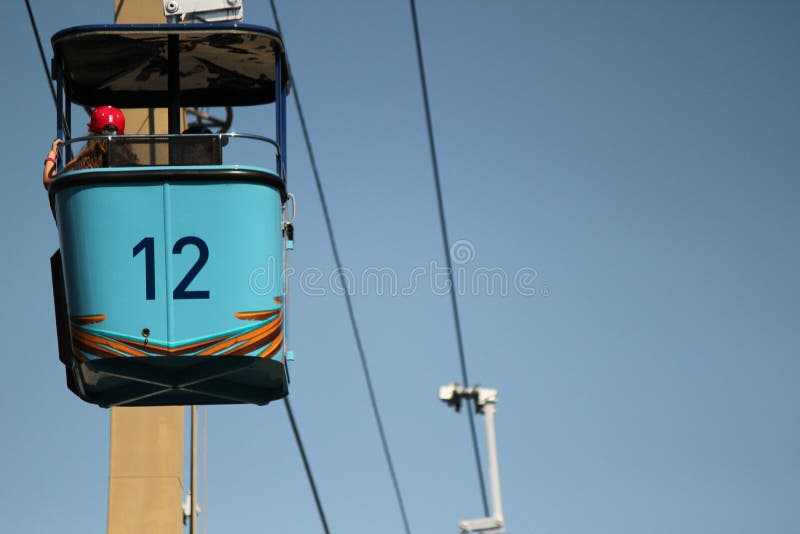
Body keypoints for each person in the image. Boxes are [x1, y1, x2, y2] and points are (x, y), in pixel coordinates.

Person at [43, 106, 136, 189]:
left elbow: (49, 181)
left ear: (92, 134)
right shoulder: (130, 161)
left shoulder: (84, 160)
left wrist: (52, 153)